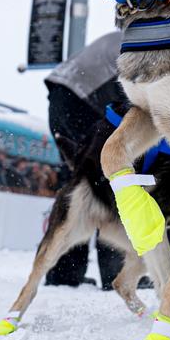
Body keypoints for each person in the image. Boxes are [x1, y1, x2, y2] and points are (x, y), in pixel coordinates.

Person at [43, 31, 125, 290]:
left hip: (63, 96)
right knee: (113, 182)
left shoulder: (126, 35)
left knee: (77, 185)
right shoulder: (147, 42)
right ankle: (116, 274)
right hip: (81, 100)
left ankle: (64, 273)